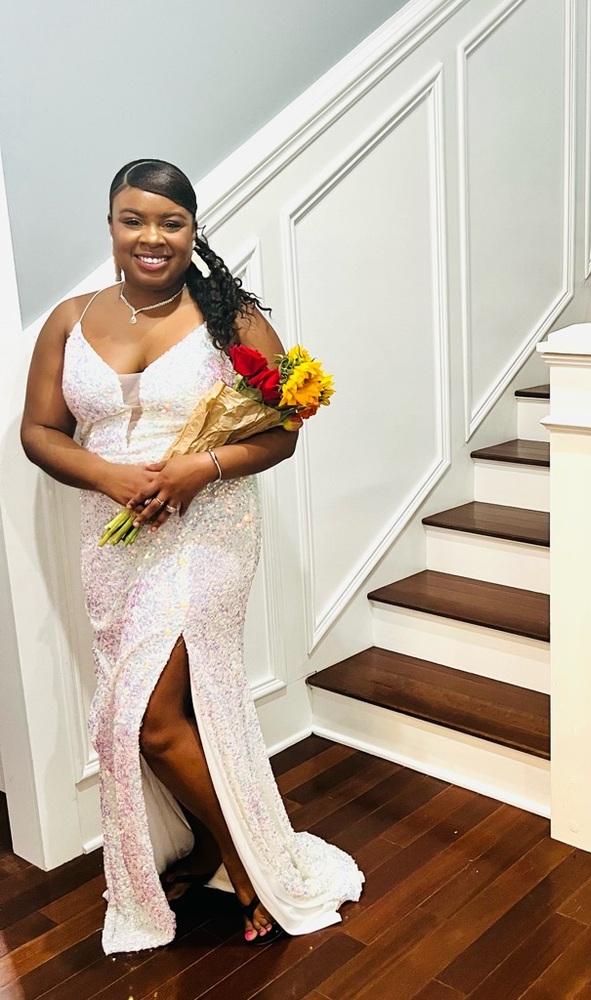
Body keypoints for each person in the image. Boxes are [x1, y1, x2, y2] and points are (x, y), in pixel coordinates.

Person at [20, 159, 363, 954]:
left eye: (171, 222)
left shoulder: (230, 318)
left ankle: (249, 866)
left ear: (193, 231)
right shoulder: (69, 320)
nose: (152, 236)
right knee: (155, 713)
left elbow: (282, 432)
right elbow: (39, 432)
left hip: (209, 531)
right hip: (114, 539)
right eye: (134, 219)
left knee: (153, 722)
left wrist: (199, 469)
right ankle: (208, 845)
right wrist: (106, 474)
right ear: (111, 225)